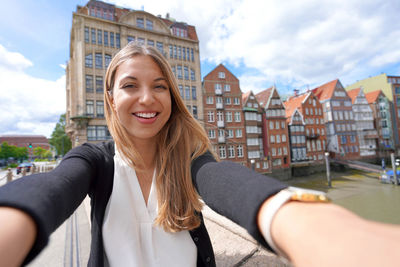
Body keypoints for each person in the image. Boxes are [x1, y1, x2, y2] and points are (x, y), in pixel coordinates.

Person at [0, 43, 399, 267]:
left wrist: (312, 223)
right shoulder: (95, 160)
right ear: (110, 98)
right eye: (130, 85)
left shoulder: (188, 158)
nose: (147, 98)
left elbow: (226, 183)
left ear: (171, 96)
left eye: (159, 86)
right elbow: (54, 187)